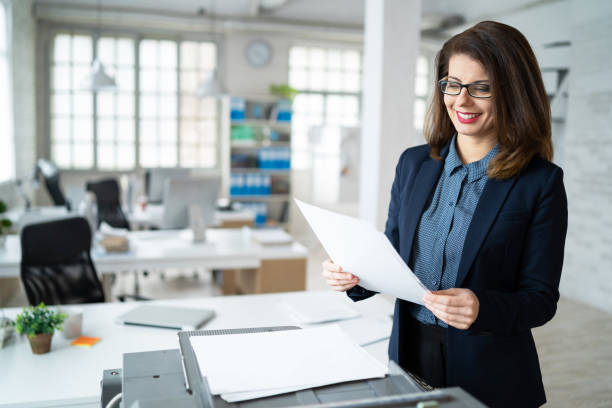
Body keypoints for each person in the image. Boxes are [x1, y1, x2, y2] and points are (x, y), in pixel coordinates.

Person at [322, 21, 567, 408]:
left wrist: (482, 307)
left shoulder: (540, 183)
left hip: (490, 371)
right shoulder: (414, 163)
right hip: (409, 355)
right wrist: (353, 275)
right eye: (453, 84)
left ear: (513, 93)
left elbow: (540, 299)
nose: (462, 101)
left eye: (481, 88)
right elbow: (394, 258)